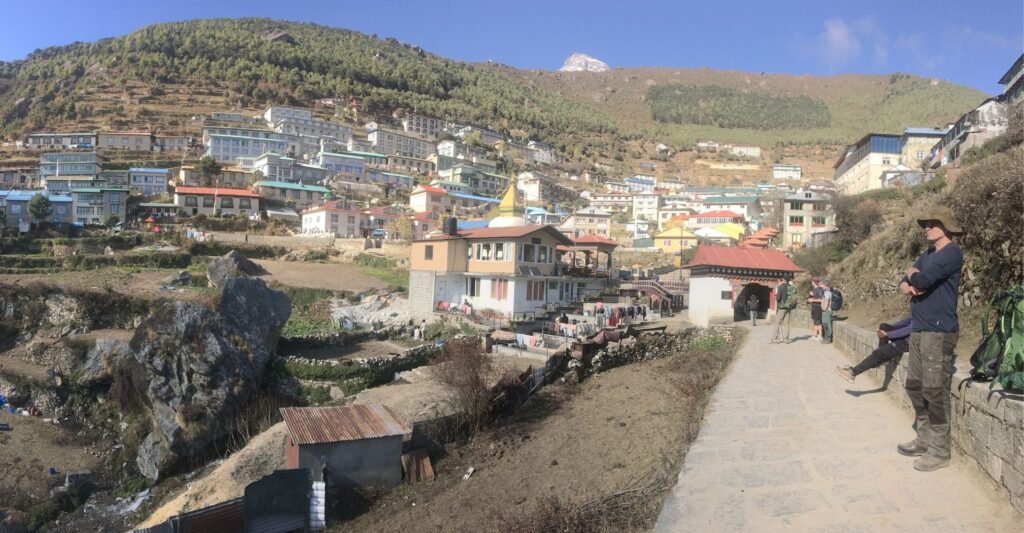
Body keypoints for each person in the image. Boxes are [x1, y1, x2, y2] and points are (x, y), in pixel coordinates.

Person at [896, 207, 963, 472]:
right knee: (914, 385)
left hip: (939, 330)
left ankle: (940, 450)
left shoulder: (952, 254)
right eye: (925, 224)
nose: (927, 227)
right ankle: (924, 439)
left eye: (932, 224)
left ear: (945, 227)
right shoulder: (928, 254)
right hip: (920, 328)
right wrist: (910, 280)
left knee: (935, 390)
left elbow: (921, 279)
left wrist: (912, 276)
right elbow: (906, 281)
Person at [836, 317, 911, 383]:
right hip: (901, 339)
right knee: (883, 326)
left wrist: (888, 334)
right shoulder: (915, 315)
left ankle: (853, 373)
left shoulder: (921, 315)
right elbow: (900, 324)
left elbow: (907, 330)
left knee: (878, 353)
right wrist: (881, 330)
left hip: (906, 343)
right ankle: (883, 359)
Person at [771, 279, 794, 344]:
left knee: (777, 322)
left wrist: (777, 298)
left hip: (782, 307)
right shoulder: (792, 287)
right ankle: (786, 339)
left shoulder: (781, 287)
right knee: (786, 323)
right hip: (788, 307)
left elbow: (778, 298)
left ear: (783, 280)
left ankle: (775, 338)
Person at [818, 280, 834, 344]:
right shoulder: (825, 292)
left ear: (825, 285)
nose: (820, 285)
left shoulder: (827, 292)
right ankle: (826, 337)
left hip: (827, 311)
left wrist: (824, 309)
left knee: (827, 325)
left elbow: (827, 301)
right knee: (824, 324)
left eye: (821, 284)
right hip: (825, 311)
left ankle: (828, 339)